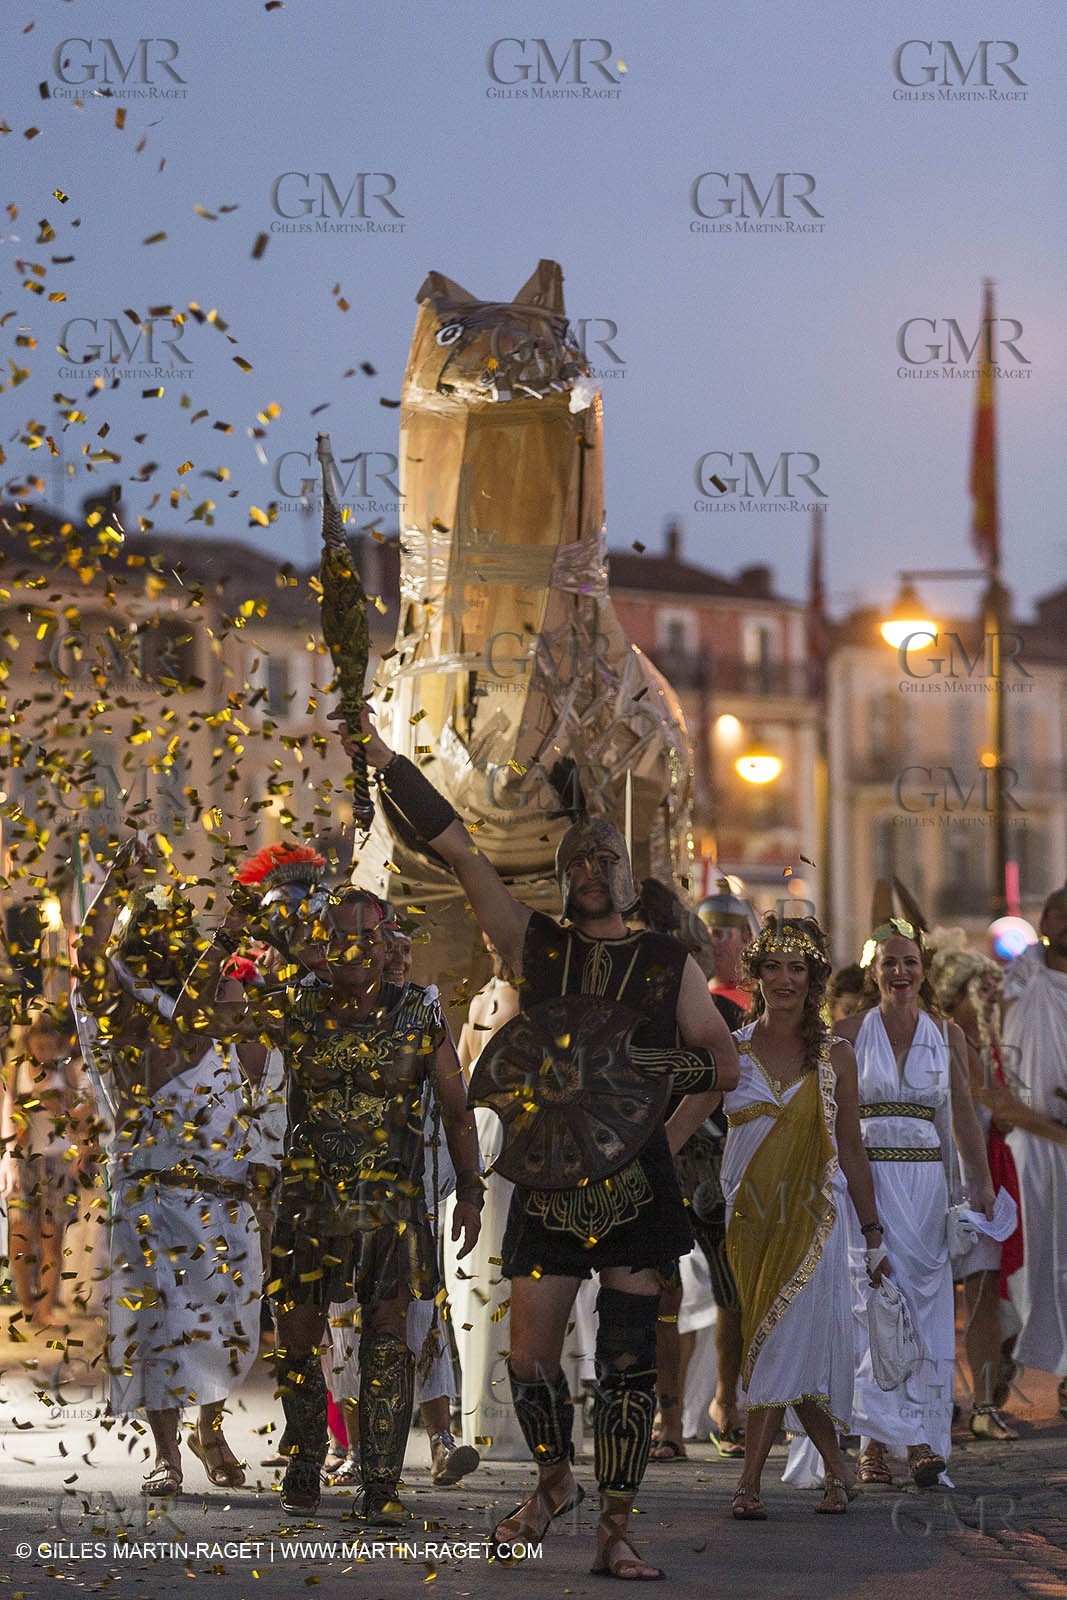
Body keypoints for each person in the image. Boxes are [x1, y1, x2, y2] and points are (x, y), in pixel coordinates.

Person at [356, 717, 740, 1581]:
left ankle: (615, 1527)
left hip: (636, 1185)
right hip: (553, 1174)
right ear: (563, 880)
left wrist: (663, 1130)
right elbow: (459, 852)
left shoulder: (663, 959)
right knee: (530, 1356)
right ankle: (554, 1482)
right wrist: (387, 763)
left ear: (626, 877)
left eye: (604, 862)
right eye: (577, 864)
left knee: (627, 1359)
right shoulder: (536, 946)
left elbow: (720, 1063)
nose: (590, 873)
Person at [235, 845, 483, 1523]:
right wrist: (233, 942)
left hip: (392, 1201)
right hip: (309, 1199)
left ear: (386, 942)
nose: (355, 952)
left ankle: (380, 1484)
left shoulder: (421, 1014)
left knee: (386, 1341)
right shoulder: (292, 1006)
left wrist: (470, 1190)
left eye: (367, 938)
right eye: (340, 939)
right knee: (297, 1335)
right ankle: (307, 1459)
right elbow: (211, 1027)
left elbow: (458, 1112)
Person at [73, 839, 262, 1495]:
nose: (162, 941)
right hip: (149, 1193)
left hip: (221, 1194)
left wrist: (237, 925)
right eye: (148, 932)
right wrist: (115, 886)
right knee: (157, 1324)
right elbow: (86, 956)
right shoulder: (121, 1017)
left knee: (219, 1325)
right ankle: (166, 1457)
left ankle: (209, 1429)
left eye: (172, 932)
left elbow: (206, 985)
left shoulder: (208, 1006)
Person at [719, 915, 887, 1519]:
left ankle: (749, 1482)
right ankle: (838, 1471)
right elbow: (681, 1124)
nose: (784, 979)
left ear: (813, 976)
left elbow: (852, 1149)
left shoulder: (837, 1054)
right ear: (757, 974)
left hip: (816, 1216)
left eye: (797, 968)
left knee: (781, 1343)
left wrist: (873, 1233)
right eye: (772, 967)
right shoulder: (729, 1053)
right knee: (778, 1343)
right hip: (751, 1217)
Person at [837, 919, 996, 1487]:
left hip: (927, 1189)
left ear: (923, 971)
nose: (900, 972)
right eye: (889, 962)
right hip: (868, 1182)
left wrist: (979, 1185)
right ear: (872, 971)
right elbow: (835, 1120)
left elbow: (961, 1116)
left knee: (928, 1311)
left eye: (910, 962)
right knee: (874, 1306)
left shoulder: (947, 1034)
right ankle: (874, 1441)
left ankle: (925, 1439)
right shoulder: (849, 1032)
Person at [930, 937, 1021, 1439]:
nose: (989, 999)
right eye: (979, 990)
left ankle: (985, 1405)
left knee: (983, 1291)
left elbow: (1001, 1114)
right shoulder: (930, 1039)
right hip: (933, 1179)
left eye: (993, 990)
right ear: (952, 991)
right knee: (934, 1293)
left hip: (980, 1180)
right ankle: (936, 1400)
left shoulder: (989, 1047)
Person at [450, 937, 525, 1459]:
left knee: (496, 1279)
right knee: (495, 1277)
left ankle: (495, 1415)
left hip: (493, 1133)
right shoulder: (502, 1000)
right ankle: (499, 1416)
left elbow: (457, 1074)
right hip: (502, 1137)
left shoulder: (485, 1000)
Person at [1001, 884, 1067, 1415]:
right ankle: (992, 1391)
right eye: (1054, 914)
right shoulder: (1020, 976)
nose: (1061, 923)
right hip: (1029, 1146)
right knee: (1019, 1268)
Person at [1, 1001, 96, 1329]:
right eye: (37, 1042)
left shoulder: (68, 1071)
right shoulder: (18, 1067)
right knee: (21, 1233)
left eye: (49, 1041)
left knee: (50, 1238)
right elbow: (7, 1108)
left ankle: (44, 1309)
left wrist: (69, 1114)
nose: (43, 1048)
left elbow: (84, 1112)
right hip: (23, 1159)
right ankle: (27, 1303)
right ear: (27, 1042)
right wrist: (9, 1153)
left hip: (57, 1160)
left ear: (59, 1042)